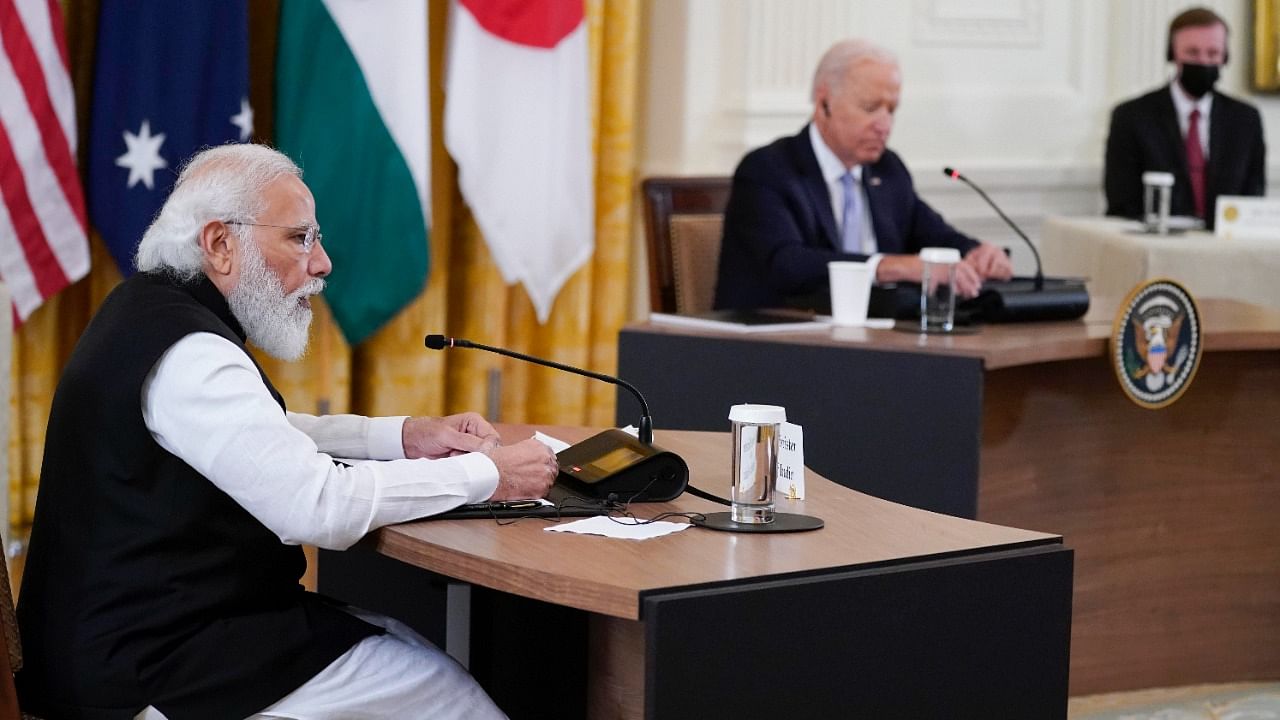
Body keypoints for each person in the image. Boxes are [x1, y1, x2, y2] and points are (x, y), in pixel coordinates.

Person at [15, 144, 559, 719]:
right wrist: (487, 474)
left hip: (133, 638)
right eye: (301, 238)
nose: (322, 262)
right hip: (147, 666)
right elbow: (317, 507)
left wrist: (403, 438)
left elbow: (256, 436)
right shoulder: (192, 353)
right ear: (221, 244)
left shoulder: (145, 311)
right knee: (449, 696)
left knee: (403, 646)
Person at [713, 39, 1013, 312]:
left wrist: (975, 253)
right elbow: (787, 264)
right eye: (870, 108)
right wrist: (886, 267)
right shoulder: (769, 170)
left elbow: (933, 234)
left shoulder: (887, 170)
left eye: (891, 109)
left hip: (876, 340)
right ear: (823, 103)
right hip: (780, 341)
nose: (884, 124)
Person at [1104, 7, 1266, 228]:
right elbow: (1122, 204)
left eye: (1212, 53)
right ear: (1172, 53)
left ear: (1225, 56)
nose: (1203, 61)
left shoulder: (1245, 120)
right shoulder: (1132, 117)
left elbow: (1253, 202)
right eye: (1192, 52)